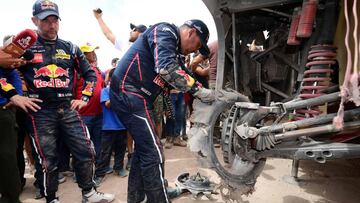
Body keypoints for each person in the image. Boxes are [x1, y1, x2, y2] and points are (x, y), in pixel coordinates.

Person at [17, 1, 114, 202]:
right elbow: (5, 72)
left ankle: (89, 192)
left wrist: (84, 98)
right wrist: (15, 96)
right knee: (48, 161)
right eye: (45, 21)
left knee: (86, 151)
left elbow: (91, 75)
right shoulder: (24, 48)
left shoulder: (70, 48)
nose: (51, 25)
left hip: (67, 109)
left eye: (54, 20)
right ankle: (51, 198)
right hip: (39, 112)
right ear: (34, 20)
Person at [110, 19, 214, 202]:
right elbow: (166, 68)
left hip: (140, 97)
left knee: (143, 151)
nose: (194, 51)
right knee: (153, 151)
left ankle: (136, 199)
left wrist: (202, 91)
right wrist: (200, 91)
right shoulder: (166, 31)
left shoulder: (175, 51)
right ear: (191, 33)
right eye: (197, 45)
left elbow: (184, 73)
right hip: (130, 92)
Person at [93, 9, 147, 170]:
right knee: (128, 127)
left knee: (141, 126)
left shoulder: (148, 48)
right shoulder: (126, 46)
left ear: (142, 34)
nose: (131, 31)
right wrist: (99, 19)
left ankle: (141, 155)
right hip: (126, 91)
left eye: (135, 29)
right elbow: (109, 34)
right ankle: (130, 155)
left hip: (141, 92)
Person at [0, 48, 42, 203]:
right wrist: (14, 95)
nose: (20, 62)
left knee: (9, 154)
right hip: (9, 109)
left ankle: (12, 195)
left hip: (11, 111)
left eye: (23, 61)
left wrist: (14, 96)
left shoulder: (12, 71)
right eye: (18, 58)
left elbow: (13, 81)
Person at [94, 68, 128, 186]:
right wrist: (117, 93)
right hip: (108, 127)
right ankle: (99, 174)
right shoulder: (105, 91)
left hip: (122, 126)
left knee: (121, 150)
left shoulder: (124, 91)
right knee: (105, 152)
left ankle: (118, 168)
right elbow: (108, 104)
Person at [76, 43, 105, 165]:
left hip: (98, 113)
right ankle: (84, 172)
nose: (93, 53)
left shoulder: (97, 71)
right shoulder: (77, 71)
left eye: (94, 51)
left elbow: (102, 89)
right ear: (83, 55)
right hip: (83, 114)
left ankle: (98, 167)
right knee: (84, 144)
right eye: (90, 52)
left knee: (98, 141)